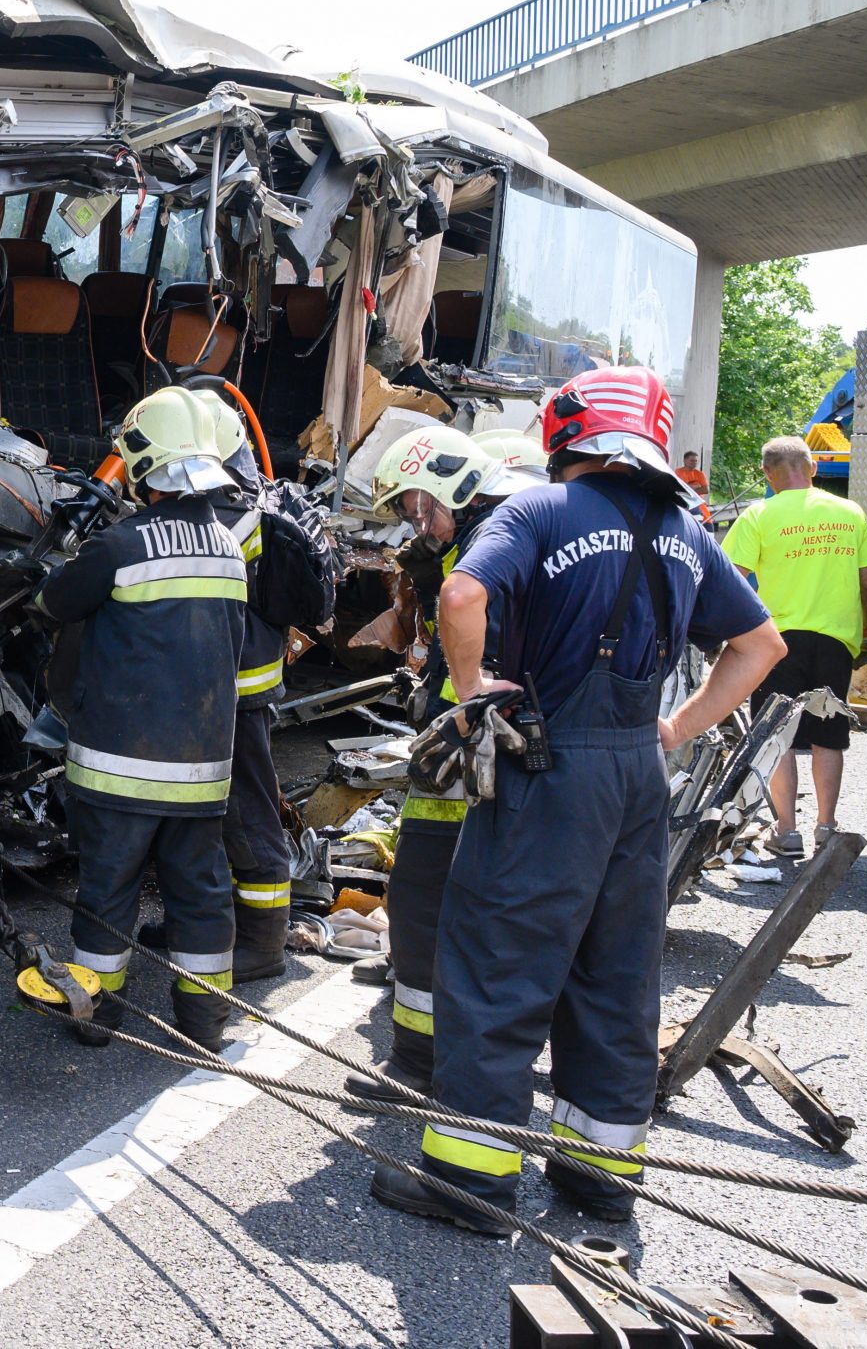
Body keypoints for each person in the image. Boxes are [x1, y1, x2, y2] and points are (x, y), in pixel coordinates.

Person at [372, 367, 784, 1234]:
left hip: (548, 767)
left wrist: (470, 684)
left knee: (499, 962)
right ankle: (600, 1174)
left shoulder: (535, 510)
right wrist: (677, 726)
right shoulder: (687, 527)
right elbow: (760, 645)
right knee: (616, 970)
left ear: (568, 434)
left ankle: (470, 1183)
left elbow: (460, 592)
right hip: (638, 772)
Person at [18, 386, 248, 1051]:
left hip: (119, 768)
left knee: (109, 890)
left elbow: (52, 601)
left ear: (146, 465)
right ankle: (204, 1022)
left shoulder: (120, 546)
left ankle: (96, 1017)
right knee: (201, 891)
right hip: (202, 771)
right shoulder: (230, 550)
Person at [349, 424, 521, 1102]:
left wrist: (454, 705)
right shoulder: (493, 537)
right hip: (479, 751)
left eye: (422, 507)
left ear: (455, 484)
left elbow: (475, 647)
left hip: (469, 757)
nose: (418, 524)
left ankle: (417, 1063)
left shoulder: (488, 548)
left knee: (421, 903)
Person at [139, 387, 293, 983]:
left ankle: (262, 943)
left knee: (247, 814)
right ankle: (203, 924)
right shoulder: (236, 503)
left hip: (237, 694)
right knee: (196, 814)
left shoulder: (235, 515)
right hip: (211, 689)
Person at [723, 436, 867, 859]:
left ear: (766, 473)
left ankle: (787, 831)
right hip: (835, 641)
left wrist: (732, 634)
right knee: (829, 733)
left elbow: (730, 581)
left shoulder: (759, 515)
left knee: (777, 732)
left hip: (777, 641)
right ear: (812, 468)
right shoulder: (849, 513)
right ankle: (826, 828)